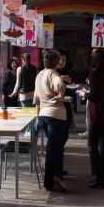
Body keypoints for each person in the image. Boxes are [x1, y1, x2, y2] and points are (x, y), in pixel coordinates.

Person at [34, 49, 68, 192]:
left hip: (43, 115)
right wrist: (60, 94)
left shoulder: (39, 75)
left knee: (57, 147)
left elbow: (36, 99)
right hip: (56, 116)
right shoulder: (54, 74)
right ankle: (49, 182)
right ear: (56, 62)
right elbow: (59, 84)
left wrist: (38, 116)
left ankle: (57, 176)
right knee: (53, 149)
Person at [83, 48, 104, 188]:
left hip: (97, 115)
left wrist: (84, 94)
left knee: (92, 145)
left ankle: (98, 176)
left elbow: (94, 96)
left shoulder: (94, 74)